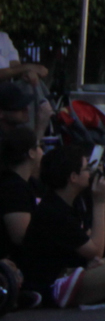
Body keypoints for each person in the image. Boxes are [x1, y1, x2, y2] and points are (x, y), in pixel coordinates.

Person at [20, 144, 105, 307]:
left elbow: (90, 244)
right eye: (86, 169)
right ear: (73, 177)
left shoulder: (72, 203)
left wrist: (89, 262)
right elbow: (96, 251)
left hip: (80, 271)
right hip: (60, 282)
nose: (90, 173)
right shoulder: (53, 211)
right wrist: (100, 202)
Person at [0, 125, 43, 310]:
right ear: (31, 153)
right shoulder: (13, 187)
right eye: (39, 147)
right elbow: (21, 236)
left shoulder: (28, 184)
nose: (42, 152)